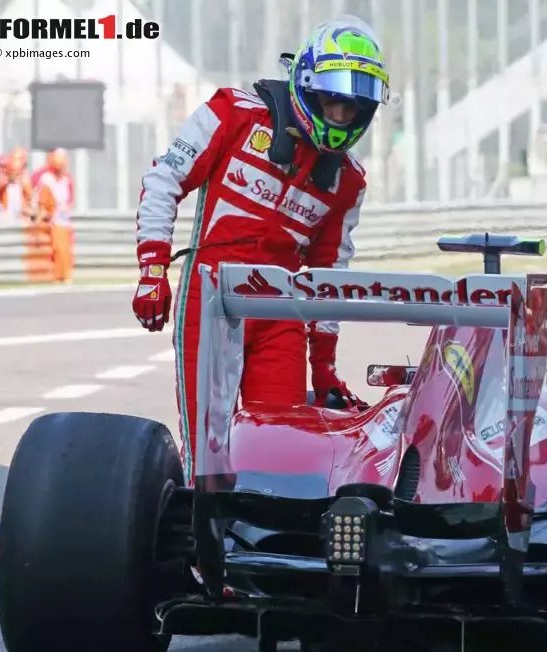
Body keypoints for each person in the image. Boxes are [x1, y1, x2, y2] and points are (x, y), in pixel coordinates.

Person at [131, 15, 389, 483]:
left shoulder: (348, 179)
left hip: (281, 312)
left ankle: (269, 549)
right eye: (333, 98)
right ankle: (201, 544)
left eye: (353, 106)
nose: (340, 114)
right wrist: (152, 268)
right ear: (307, 83)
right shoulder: (231, 111)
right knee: (209, 450)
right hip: (212, 299)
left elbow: (330, 271)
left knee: (281, 447)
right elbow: (163, 179)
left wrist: (324, 365)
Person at [34, 149, 76, 283]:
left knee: (66, 249)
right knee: (58, 248)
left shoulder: (66, 179)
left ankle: (66, 274)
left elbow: (70, 198)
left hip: (64, 218)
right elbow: (41, 201)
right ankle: (58, 275)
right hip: (53, 219)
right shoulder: (47, 180)